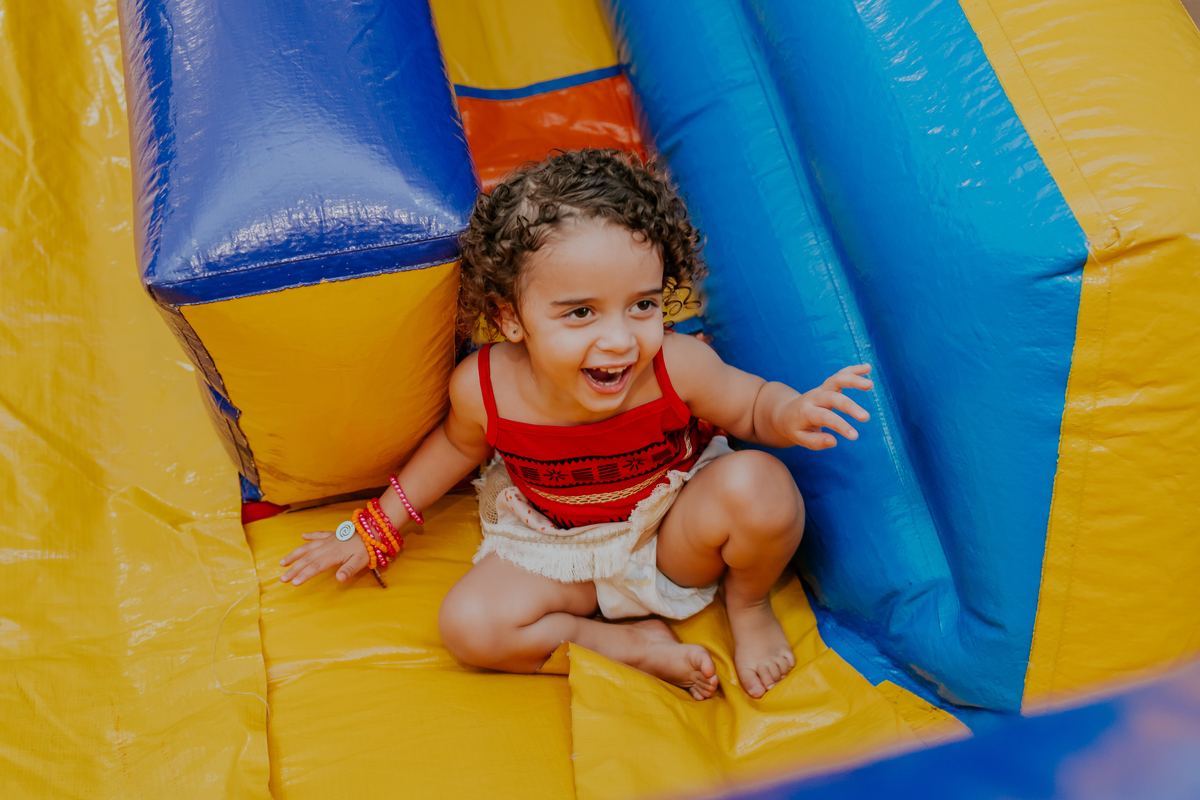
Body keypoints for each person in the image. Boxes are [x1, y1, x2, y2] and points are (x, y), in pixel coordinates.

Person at [280, 149, 872, 700]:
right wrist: (375, 529)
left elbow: (747, 405)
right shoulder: (485, 389)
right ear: (510, 318)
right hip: (557, 549)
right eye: (581, 312)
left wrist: (790, 412)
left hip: (671, 538)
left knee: (763, 488)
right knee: (469, 626)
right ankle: (624, 645)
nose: (619, 340)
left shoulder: (673, 364)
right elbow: (451, 451)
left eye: (641, 304)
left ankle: (748, 606)